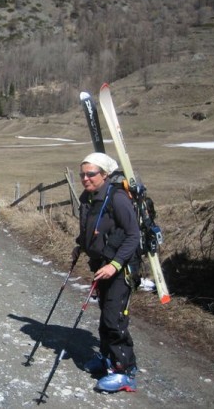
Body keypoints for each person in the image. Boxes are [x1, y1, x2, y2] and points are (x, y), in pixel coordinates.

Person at [72, 152, 141, 392]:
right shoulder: (89, 197)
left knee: (115, 318)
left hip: (120, 268)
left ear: (104, 174)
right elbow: (92, 229)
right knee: (105, 316)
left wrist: (115, 264)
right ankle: (108, 359)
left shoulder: (117, 198)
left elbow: (133, 235)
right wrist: (81, 245)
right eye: (82, 174)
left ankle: (125, 371)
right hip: (102, 265)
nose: (85, 178)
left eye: (91, 174)